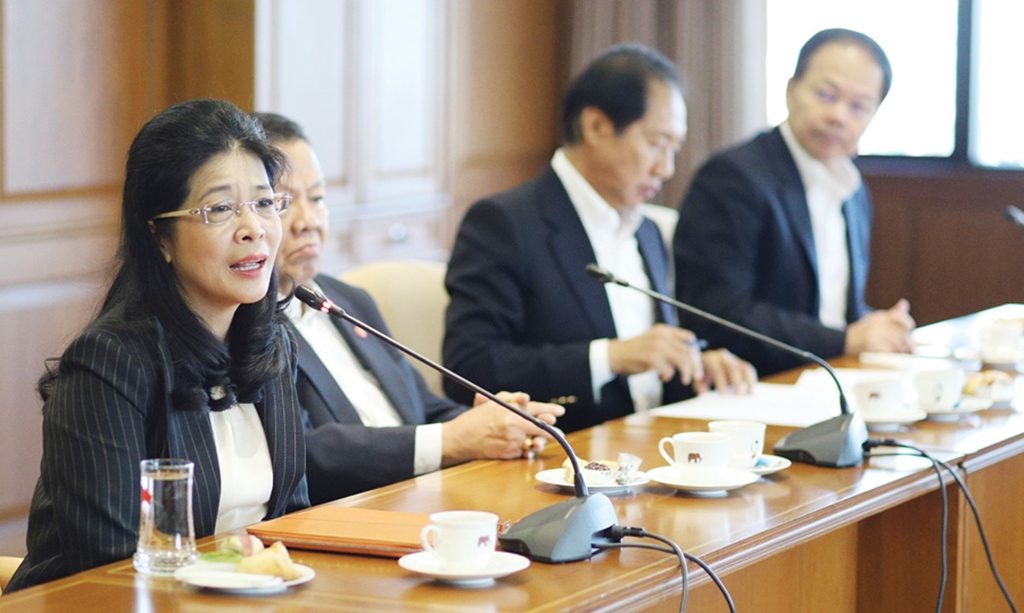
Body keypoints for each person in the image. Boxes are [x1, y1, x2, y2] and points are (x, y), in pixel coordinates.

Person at [7, 100, 309, 591]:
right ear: (160, 238)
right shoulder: (108, 364)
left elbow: (292, 522)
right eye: (220, 209)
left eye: (263, 203)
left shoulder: (272, 347)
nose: (253, 228)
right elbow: (109, 568)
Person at [443, 44, 757, 433]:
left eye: (674, 149)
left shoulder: (648, 231)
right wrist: (609, 358)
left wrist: (694, 365)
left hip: (653, 443)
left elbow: (646, 371)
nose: (666, 169)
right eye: (656, 144)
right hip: (565, 452)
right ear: (596, 127)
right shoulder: (504, 223)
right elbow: (467, 370)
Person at [254, 113, 565, 505]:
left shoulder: (349, 300)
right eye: (282, 203)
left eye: (317, 199)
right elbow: (305, 452)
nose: (309, 221)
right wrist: (452, 439)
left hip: (424, 500)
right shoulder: (244, 325)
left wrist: (496, 424)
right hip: (352, 517)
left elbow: (422, 410)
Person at [674, 28, 915, 375]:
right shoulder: (734, 177)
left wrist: (877, 328)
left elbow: (829, 309)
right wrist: (845, 339)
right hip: (755, 382)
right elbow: (718, 313)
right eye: (826, 95)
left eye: (859, 106)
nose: (839, 116)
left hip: (831, 377)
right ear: (791, 91)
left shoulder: (853, 190)